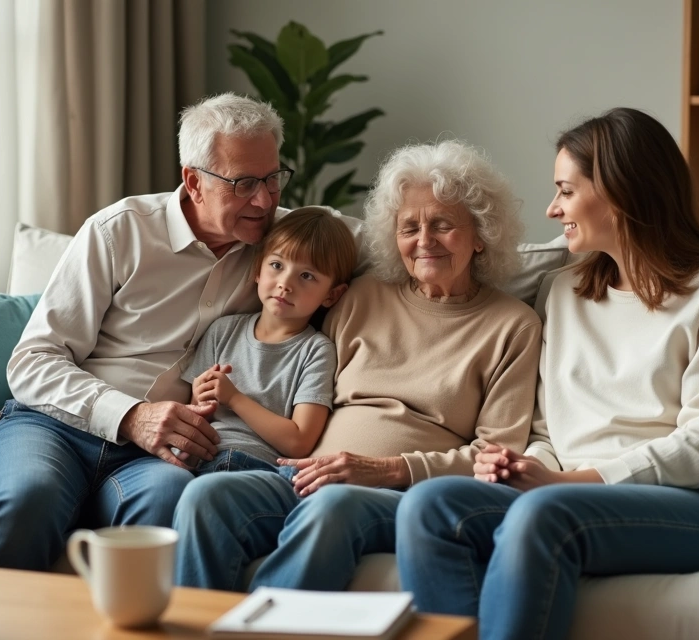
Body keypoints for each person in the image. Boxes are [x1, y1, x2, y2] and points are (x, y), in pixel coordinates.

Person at [395, 108, 699, 640]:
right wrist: (524, 467)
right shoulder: (564, 292)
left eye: (565, 190)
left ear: (621, 191)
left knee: (544, 515)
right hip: (574, 493)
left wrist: (563, 484)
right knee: (431, 504)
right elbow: (546, 430)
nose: (552, 207)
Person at [173, 139, 544, 592]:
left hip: (396, 495)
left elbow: (495, 458)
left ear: (482, 234)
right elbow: (293, 367)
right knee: (206, 497)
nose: (424, 241)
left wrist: (387, 469)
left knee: (333, 507)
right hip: (302, 475)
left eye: (443, 225)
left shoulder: (512, 325)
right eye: (409, 227)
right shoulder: (362, 296)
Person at [0, 93, 310, 570]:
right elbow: (33, 360)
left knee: (169, 502)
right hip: (54, 427)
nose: (265, 200)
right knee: (31, 500)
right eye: (244, 183)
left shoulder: (286, 245)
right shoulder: (119, 231)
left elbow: (380, 242)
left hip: (156, 459)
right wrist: (131, 416)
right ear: (194, 181)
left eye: (273, 178)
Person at [182, 207, 358, 476]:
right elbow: (195, 410)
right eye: (277, 266)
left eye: (307, 276)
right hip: (198, 457)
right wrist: (200, 395)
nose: (285, 283)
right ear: (258, 270)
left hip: (252, 465)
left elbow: (299, 442)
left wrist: (235, 398)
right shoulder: (222, 331)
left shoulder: (316, 351)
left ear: (332, 295)